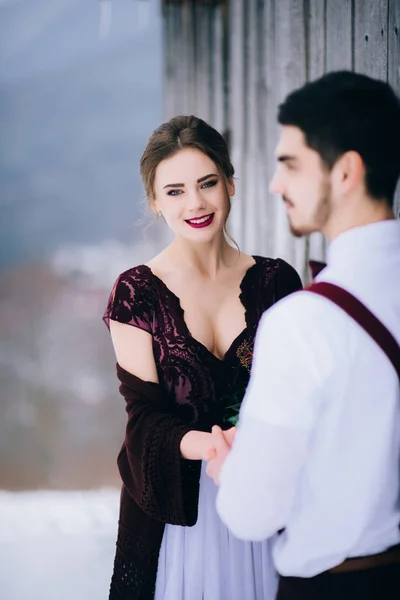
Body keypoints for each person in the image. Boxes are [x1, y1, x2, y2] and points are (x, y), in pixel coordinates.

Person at [206, 70, 400, 599]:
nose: (273, 184)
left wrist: (232, 470)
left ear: (345, 173)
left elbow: (252, 513)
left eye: (290, 164)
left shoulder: (302, 322)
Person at [102, 115, 303, 600]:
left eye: (207, 183)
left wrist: (252, 440)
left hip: (265, 501)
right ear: (154, 200)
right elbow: (143, 421)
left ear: (230, 183)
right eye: (174, 191)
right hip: (176, 515)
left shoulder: (278, 283)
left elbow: (300, 398)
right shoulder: (136, 293)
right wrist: (213, 446)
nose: (194, 203)